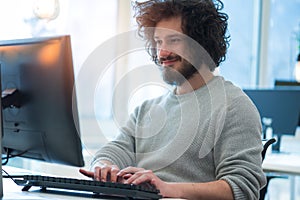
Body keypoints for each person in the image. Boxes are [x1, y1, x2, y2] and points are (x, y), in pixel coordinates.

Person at [80, 0, 267, 199]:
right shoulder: (147, 110)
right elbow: (115, 151)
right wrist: (104, 166)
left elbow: (242, 189)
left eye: (174, 40)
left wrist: (167, 188)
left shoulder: (234, 106)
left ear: (201, 43)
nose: (162, 53)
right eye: (159, 41)